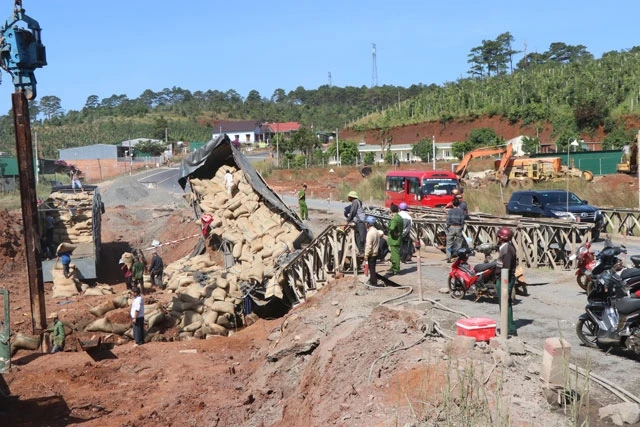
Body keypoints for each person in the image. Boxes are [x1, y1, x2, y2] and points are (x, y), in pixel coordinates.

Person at [495, 226, 518, 336]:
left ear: (502, 237)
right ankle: (507, 326)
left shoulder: (507, 249)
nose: (497, 237)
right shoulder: (505, 246)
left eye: (499, 236)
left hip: (505, 278)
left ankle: (509, 328)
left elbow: (506, 268)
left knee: (505, 303)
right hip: (505, 277)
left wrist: (503, 279)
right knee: (504, 303)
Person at [345, 191, 366, 255]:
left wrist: (347, 221)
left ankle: (363, 251)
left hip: (360, 221)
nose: (348, 198)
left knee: (361, 237)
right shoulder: (356, 202)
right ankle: (361, 251)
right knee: (357, 237)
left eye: (349, 197)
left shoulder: (355, 202)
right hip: (357, 222)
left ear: (351, 197)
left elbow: (352, 212)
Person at [445, 197, 466, 262]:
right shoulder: (461, 211)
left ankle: (448, 257)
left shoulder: (450, 211)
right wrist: (461, 227)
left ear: (453, 204)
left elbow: (448, 221)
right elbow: (462, 221)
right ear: (459, 204)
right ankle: (457, 257)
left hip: (451, 227)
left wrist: (449, 227)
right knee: (458, 244)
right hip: (458, 227)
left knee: (449, 244)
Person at [387, 203, 404, 276]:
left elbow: (392, 227)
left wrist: (393, 232)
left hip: (394, 240)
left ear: (391, 210)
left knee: (395, 255)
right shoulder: (399, 217)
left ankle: (396, 269)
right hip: (397, 239)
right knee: (393, 255)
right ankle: (393, 266)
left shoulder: (395, 219)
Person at [364, 216, 381, 286]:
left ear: (368, 223)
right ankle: (372, 281)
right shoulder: (376, 231)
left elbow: (369, 246)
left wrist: (366, 254)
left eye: (366, 223)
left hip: (371, 253)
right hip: (376, 252)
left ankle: (373, 283)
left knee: (372, 269)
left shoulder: (370, 233)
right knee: (372, 268)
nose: (365, 224)